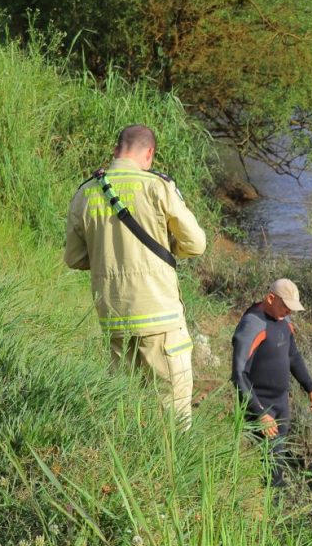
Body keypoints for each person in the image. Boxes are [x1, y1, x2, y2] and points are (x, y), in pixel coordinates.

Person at [65, 124, 207, 425]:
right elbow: (196, 244)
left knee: (126, 408)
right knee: (173, 412)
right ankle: (172, 470)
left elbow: (75, 258)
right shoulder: (157, 187)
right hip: (160, 317)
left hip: (114, 318)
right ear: (150, 154)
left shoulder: (86, 192)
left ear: (116, 151)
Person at [231, 279, 312, 486]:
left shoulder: (284, 320)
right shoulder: (252, 325)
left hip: (281, 402)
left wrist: (311, 388)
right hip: (260, 404)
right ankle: (265, 500)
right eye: (286, 306)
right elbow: (239, 375)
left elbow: (293, 356)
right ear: (270, 298)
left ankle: (275, 492)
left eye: (292, 309)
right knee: (267, 455)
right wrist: (260, 413)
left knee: (277, 451)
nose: (289, 312)